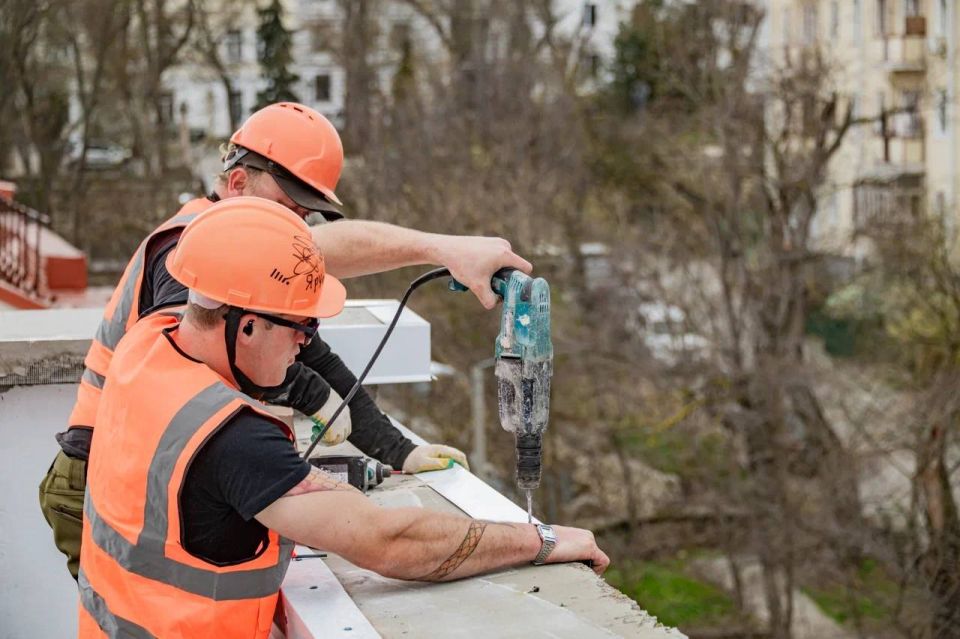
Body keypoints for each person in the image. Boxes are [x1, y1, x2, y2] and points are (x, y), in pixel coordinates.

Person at [39, 102, 532, 580]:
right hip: (100, 473)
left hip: (142, 469)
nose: (295, 232)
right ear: (237, 183)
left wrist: (396, 449)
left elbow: (310, 350)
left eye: (305, 220)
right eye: (287, 210)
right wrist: (312, 395)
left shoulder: (240, 258)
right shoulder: (189, 248)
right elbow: (206, 355)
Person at [77, 198, 608, 637]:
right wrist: (540, 540)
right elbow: (390, 541)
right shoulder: (233, 439)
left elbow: (266, 253)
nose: (308, 344)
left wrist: (441, 248)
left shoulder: (148, 340)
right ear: (245, 327)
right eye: (300, 328)